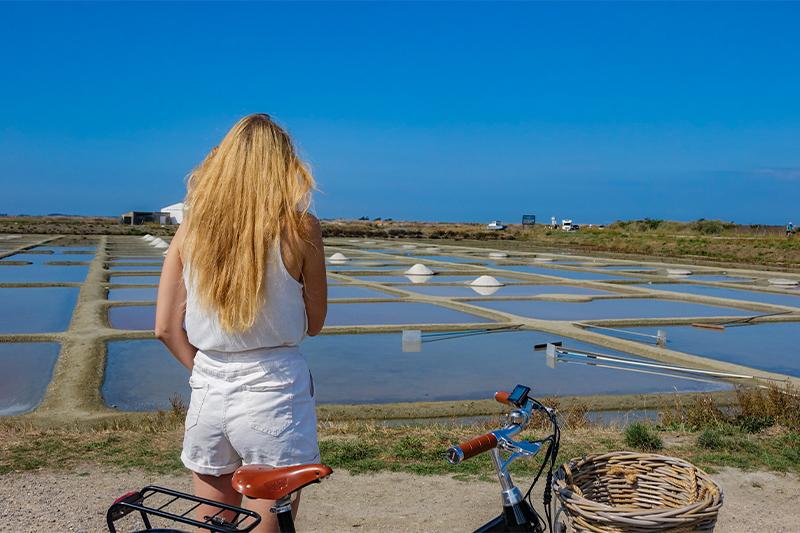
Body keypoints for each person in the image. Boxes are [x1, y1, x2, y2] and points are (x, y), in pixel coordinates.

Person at [155, 113, 327, 532]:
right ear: (285, 166)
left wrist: (209, 373)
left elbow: (164, 328)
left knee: (215, 527)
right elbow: (316, 322)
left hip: (209, 388)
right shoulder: (301, 228)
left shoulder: (191, 229)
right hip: (274, 389)